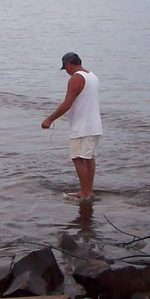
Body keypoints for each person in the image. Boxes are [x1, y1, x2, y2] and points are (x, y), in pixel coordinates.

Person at [41, 52, 102, 200]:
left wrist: (49, 119)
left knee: (78, 158)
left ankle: (85, 192)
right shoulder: (92, 76)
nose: (66, 72)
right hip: (94, 125)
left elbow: (67, 104)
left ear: (68, 64)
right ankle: (88, 191)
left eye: (65, 68)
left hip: (83, 127)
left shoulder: (76, 78)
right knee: (88, 158)